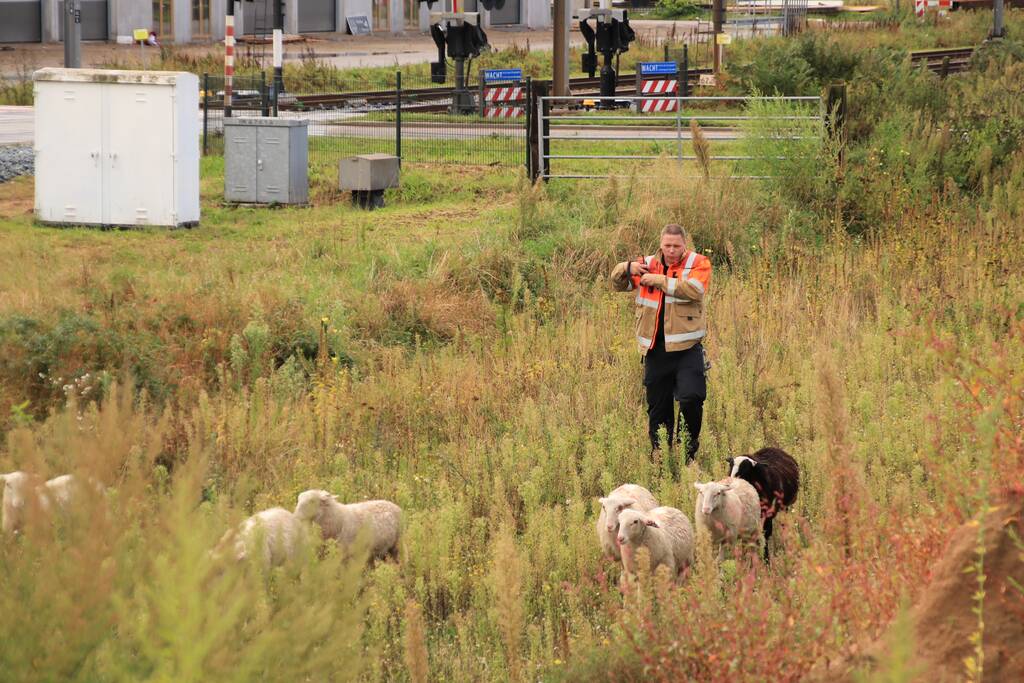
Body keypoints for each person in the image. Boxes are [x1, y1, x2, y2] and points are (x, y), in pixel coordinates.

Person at [609, 224, 712, 467]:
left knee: (692, 398)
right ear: (661, 243)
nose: (672, 250)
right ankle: (660, 456)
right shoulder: (647, 263)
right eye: (667, 245)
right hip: (655, 349)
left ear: (684, 245)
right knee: (658, 408)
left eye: (677, 246)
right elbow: (617, 284)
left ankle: (688, 456)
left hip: (688, 349)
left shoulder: (698, 263)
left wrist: (661, 280)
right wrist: (626, 267)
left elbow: (695, 290)